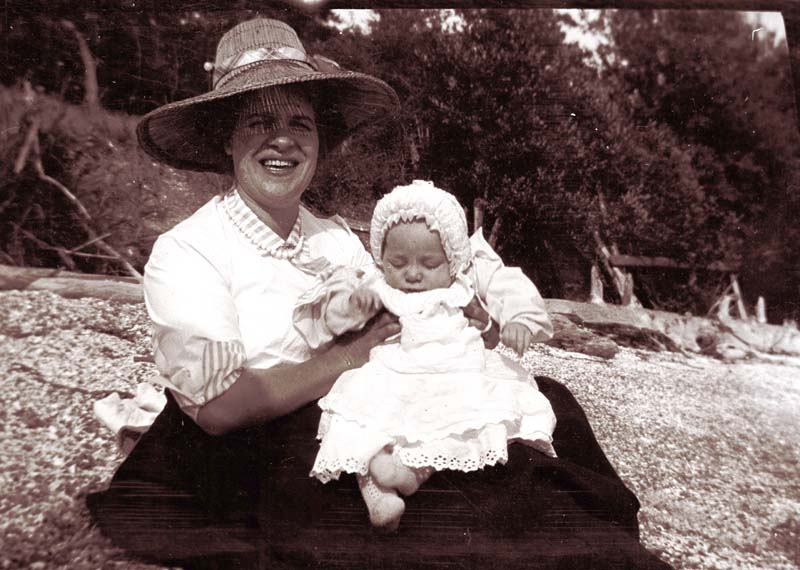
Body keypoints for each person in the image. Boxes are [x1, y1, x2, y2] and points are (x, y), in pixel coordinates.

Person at [86, 16, 674, 570]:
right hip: (258, 439)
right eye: (258, 123)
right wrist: (348, 357)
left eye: (300, 124)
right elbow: (218, 409)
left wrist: (471, 333)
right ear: (225, 139)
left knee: (546, 401)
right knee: (475, 498)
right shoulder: (190, 250)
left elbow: (410, 314)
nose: (282, 141)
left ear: (319, 141)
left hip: (366, 401)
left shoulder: (336, 238)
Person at [294, 180, 558, 531]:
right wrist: (354, 304)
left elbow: (508, 285)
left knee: (453, 423)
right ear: (382, 258)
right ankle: (378, 496)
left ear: (452, 260)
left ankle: (412, 473)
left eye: (429, 263)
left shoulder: (463, 281)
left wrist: (519, 319)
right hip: (392, 372)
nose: (413, 273)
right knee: (361, 423)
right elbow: (334, 315)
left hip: (454, 371)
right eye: (398, 262)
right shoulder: (376, 283)